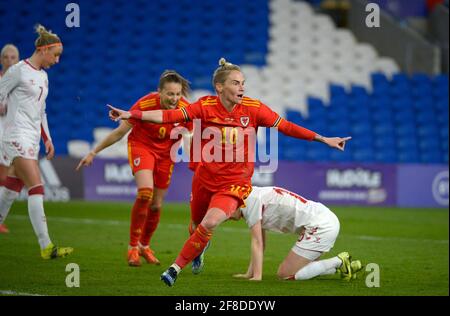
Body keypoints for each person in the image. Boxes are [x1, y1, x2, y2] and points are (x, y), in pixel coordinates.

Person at [108, 57, 351, 286]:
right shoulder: (204, 106)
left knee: (210, 222)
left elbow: (286, 127)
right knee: (195, 226)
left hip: (234, 184)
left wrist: (323, 139)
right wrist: (133, 115)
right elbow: (169, 116)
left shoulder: (254, 109)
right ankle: (199, 250)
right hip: (204, 179)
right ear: (220, 87)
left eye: (243, 83)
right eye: (236, 83)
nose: (242, 87)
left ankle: (174, 269)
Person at [77, 70, 192, 267]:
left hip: (167, 154)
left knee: (156, 205)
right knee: (145, 192)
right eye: (170, 94)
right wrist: (93, 152)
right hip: (142, 147)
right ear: (159, 92)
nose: (174, 98)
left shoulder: (185, 110)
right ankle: (132, 247)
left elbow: (190, 138)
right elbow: (119, 132)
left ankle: (144, 246)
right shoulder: (145, 104)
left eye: (177, 94)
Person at [0, 24, 73, 259]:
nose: (57, 61)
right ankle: (46, 246)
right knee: (37, 186)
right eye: (56, 55)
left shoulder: (43, 76)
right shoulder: (18, 71)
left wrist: (48, 139)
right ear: (43, 50)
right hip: (15, 136)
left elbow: (41, 112)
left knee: (12, 187)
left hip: (31, 138)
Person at [230, 186, 363, 281]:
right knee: (304, 269)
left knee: (285, 274)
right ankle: (346, 267)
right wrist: (249, 274)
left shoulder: (248, 203)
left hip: (320, 225)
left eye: (227, 210)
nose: (228, 216)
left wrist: (257, 277)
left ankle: (338, 261)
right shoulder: (252, 195)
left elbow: (257, 243)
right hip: (322, 217)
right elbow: (262, 243)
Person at [0, 44, 20, 234]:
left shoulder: (21, 81)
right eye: (6, 57)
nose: (9, 60)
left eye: (13, 57)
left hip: (10, 133)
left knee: (5, 176)